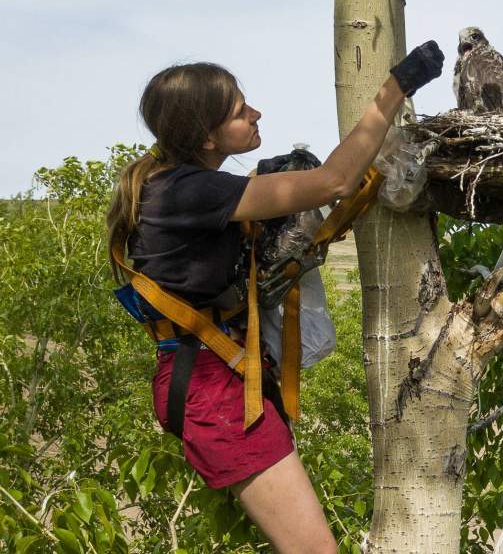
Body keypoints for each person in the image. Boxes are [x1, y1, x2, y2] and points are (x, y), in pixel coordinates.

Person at [106, 41, 444, 552]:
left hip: (215, 380)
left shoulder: (178, 186)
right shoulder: (187, 192)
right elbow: (334, 180)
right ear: (205, 136)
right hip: (212, 390)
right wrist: (396, 87)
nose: (256, 113)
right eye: (241, 111)